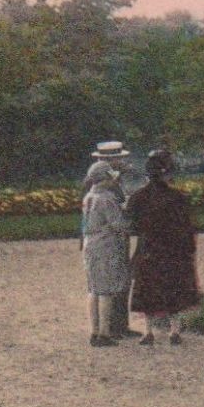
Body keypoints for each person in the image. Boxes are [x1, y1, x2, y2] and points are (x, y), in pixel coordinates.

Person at [126, 148, 200, 345]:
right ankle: (174, 331)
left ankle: (148, 331)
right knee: (174, 289)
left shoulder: (138, 197)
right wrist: (189, 249)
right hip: (173, 250)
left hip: (149, 249)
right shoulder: (178, 198)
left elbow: (132, 225)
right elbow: (188, 227)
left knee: (148, 290)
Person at [81, 140, 139, 340]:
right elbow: (117, 221)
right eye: (117, 158)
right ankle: (109, 329)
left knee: (99, 286)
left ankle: (109, 327)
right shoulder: (105, 191)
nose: (121, 161)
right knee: (109, 286)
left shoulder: (93, 189)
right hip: (108, 241)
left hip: (94, 241)